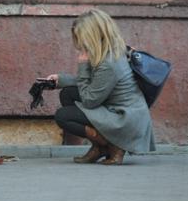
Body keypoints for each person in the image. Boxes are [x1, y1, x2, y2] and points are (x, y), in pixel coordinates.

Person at [47, 9, 155, 165]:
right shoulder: (111, 49)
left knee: (63, 116)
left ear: (93, 35)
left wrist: (83, 66)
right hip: (117, 109)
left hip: (123, 118)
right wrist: (60, 80)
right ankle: (99, 146)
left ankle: (111, 144)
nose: (80, 43)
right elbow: (96, 84)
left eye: (82, 37)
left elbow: (90, 100)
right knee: (68, 94)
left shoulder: (109, 63)